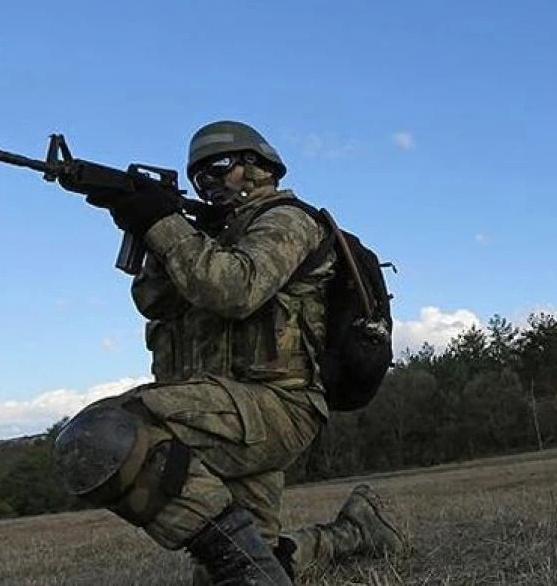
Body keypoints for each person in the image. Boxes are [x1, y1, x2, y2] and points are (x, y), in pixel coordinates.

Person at [49, 121, 406, 586]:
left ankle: (257, 574)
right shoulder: (207, 239)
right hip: (227, 410)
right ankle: (355, 531)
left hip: (277, 406)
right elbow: (155, 301)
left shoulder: (288, 220)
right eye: (198, 176)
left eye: (219, 166)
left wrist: (163, 221)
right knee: (237, 564)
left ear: (258, 166)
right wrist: (150, 224)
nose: (209, 181)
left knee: (103, 435)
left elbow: (233, 288)